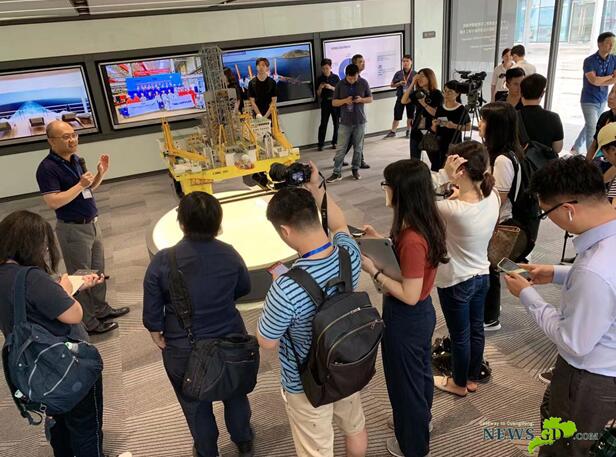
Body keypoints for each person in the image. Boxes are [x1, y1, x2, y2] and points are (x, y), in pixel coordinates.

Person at [504, 156, 616, 457]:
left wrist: (528, 296)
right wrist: (556, 273)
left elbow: (574, 342)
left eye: (545, 213)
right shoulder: (607, 240)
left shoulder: (595, 269)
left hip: (589, 378)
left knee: (565, 447)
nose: (547, 219)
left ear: (568, 210)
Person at [257, 163, 368, 457]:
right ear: (316, 216)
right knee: (355, 428)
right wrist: (317, 187)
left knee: (316, 449)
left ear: (284, 231)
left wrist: (279, 290)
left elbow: (267, 342)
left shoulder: (285, 288)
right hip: (347, 361)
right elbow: (340, 226)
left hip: (306, 381)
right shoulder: (348, 253)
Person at [143, 192, 254, 457]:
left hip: (183, 346)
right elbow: (243, 288)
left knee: (194, 403)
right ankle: (243, 440)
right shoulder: (230, 254)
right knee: (235, 393)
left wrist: (157, 332)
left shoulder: (163, 261)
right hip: (230, 339)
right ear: (218, 223)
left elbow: (152, 314)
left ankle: (207, 450)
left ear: (181, 223)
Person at [0, 210, 108, 457]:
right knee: (85, 426)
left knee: (58, 423)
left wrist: (61, 291)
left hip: (33, 369)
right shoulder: (31, 278)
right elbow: (74, 315)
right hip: (65, 363)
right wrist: (65, 291)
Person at [361, 159, 447, 457]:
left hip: (406, 316)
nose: (384, 189)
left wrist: (373, 271)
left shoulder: (412, 239)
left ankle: (413, 445)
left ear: (401, 191)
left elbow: (408, 294)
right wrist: (380, 242)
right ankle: (420, 423)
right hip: (421, 314)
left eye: (386, 184)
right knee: (419, 375)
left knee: (404, 386)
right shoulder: (425, 222)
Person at [36, 120, 129, 335]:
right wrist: (80, 184)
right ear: (51, 141)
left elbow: (88, 189)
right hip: (73, 229)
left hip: (92, 224)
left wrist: (100, 174)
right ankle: (89, 322)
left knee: (98, 272)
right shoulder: (47, 168)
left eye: (74, 135)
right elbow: (53, 201)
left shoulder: (76, 159)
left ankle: (101, 309)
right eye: (66, 137)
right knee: (82, 277)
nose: (72, 140)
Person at [430, 142, 500, 397]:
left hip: (456, 280)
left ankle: (458, 383)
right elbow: (467, 200)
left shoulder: (451, 209)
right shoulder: (492, 196)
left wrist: (443, 176)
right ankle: (471, 377)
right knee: (476, 329)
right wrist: (456, 188)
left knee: (460, 335)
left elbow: (417, 201)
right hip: (482, 275)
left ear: (460, 170)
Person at [478, 102, 525, 332]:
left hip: (499, 222)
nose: (480, 124)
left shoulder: (502, 160)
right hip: (497, 220)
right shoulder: (502, 154)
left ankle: (490, 318)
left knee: (490, 269)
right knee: (492, 268)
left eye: (484, 120)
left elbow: (498, 199)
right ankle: (490, 312)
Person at [571, 32, 616, 155]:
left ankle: (576, 146)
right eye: (608, 43)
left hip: (603, 99)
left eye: (613, 43)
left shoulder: (614, 59)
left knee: (591, 124)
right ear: (599, 44)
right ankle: (591, 157)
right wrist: (609, 77)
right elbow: (594, 81)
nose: (611, 46)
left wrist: (602, 79)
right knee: (592, 127)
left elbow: (613, 80)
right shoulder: (589, 61)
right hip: (588, 100)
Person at [326, 64, 373, 183]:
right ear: (346, 75)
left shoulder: (363, 82)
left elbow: (370, 99)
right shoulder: (340, 84)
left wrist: (361, 100)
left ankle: (355, 169)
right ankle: (336, 172)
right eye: (350, 78)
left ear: (358, 75)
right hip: (345, 122)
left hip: (360, 121)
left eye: (355, 78)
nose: (352, 80)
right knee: (341, 148)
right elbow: (334, 103)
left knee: (358, 148)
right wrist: (345, 101)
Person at [401, 68, 443, 160]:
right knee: (414, 160)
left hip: (430, 130)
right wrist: (412, 83)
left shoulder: (437, 94)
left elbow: (436, 113)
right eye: (418, 76)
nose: (419, 79)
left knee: (435, 160)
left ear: (430, 78)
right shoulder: (418, 93)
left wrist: (424, 103)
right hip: (416, 129)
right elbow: (404, 101)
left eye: (422, 76)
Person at [429, 80, 471, 170]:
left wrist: (454, 126)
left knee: (450, 169)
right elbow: (435, 128)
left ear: (457, 94)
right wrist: (434, 125)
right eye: (445, 91)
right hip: (439, 143)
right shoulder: (440, 107)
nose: (446, 94)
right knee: (437, 168)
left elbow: (468, 127)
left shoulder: (461, 109)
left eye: (450, 92)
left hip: (454, 143)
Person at [519, 74, 564, 153]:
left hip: (517, 160)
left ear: (521, 92)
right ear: (542, 93)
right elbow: (557, 149)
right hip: (545, 160)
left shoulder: (512, 117)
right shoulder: (554, 118)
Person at [384, 55, 416, 139]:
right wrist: (399, 83)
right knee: (397, 115)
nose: (405, 63)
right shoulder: (398, 73)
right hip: (400, 97)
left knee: (410, 116)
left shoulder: (415, 74)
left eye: (407, 61)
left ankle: (408, 131)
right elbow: (392, 85)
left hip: (411, 98)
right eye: (403, 61)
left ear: (411, 62)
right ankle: (393, 131)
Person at [586, 79, 616, 162]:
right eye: (611, 91)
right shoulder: (605, 116)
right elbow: (594, 144)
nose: (611, 97)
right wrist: (585, 165)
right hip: (602, 160)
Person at [316, 58, 340, 151]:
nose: (325, 70)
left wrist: (331, 87)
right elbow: (318, 94)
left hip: (335, 102)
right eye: (323, 68)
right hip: (325, 103)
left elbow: (339, 91)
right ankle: (320, 144)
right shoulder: (320, 78)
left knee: (336, 123)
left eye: (327, 68)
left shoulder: (336, 77)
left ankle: (335, 142)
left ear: (330, 67)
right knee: (323, 123)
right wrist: (320, 88)